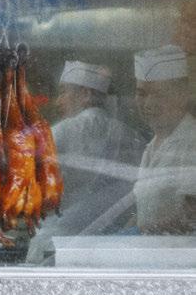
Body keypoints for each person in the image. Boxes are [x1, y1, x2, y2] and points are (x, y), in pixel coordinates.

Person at [26, 60, 145, 264]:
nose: (58, 101)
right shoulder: (131, 137)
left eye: (64, 92)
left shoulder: (59, 133)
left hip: (53, 245)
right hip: (106, 250)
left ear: (86, 94)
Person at [132, 44, 196, 234]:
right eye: (141, 93)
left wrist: (141, 234)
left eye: (159, 94)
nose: (148, 103)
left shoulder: (192, 142)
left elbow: (191, 215)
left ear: (182, 96)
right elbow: (145, 212)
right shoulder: (153, 145)